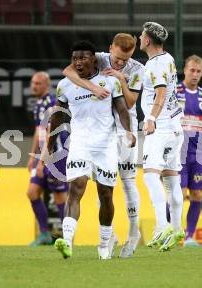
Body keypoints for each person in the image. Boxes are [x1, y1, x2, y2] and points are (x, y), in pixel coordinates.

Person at [47, 40, 135, 260]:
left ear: (93, 59)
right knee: (76, 187)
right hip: (80, 144)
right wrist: (50, 143)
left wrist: (128, 131)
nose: (78, 62)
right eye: (75, 58)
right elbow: (58, 115)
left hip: (105, 145)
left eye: (83, 58)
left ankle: (104, 243)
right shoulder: (65, 85)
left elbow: (122, 109)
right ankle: (67, 241)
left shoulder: (109, 81)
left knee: (105, 195)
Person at [139, 22, 185, 252]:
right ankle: (176, 231)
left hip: (162, 126)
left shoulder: (156, 64)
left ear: (147, 40)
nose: (139, 37)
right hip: (176, 126)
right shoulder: (167, 58)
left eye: (141, 35)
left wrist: (151, 119)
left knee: (150, 175)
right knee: (171, 178)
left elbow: (160, 93)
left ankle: (161, 225)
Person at [26, 72, 69, 246]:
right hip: (43, 155)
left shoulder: (52, 102)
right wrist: (33, 156)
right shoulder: (38, 105)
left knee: (59, 196)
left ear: (46, 85)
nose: (33, 86)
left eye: (37, 83)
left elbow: (51, 132)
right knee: (32, 192)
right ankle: (44, 234)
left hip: (56, 155)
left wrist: (43, 160)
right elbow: (39, 131)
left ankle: (67, 236)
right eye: (32, 83)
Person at [176, 55, 202, 247]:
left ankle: (189, 236)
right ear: (185, 69)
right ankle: (173, 231)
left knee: (197, 195)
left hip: (198, 154)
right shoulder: (174, 92)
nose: (195, 74)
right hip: (178, 152)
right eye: (192, 70)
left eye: (199, 71)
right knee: (180, 194)